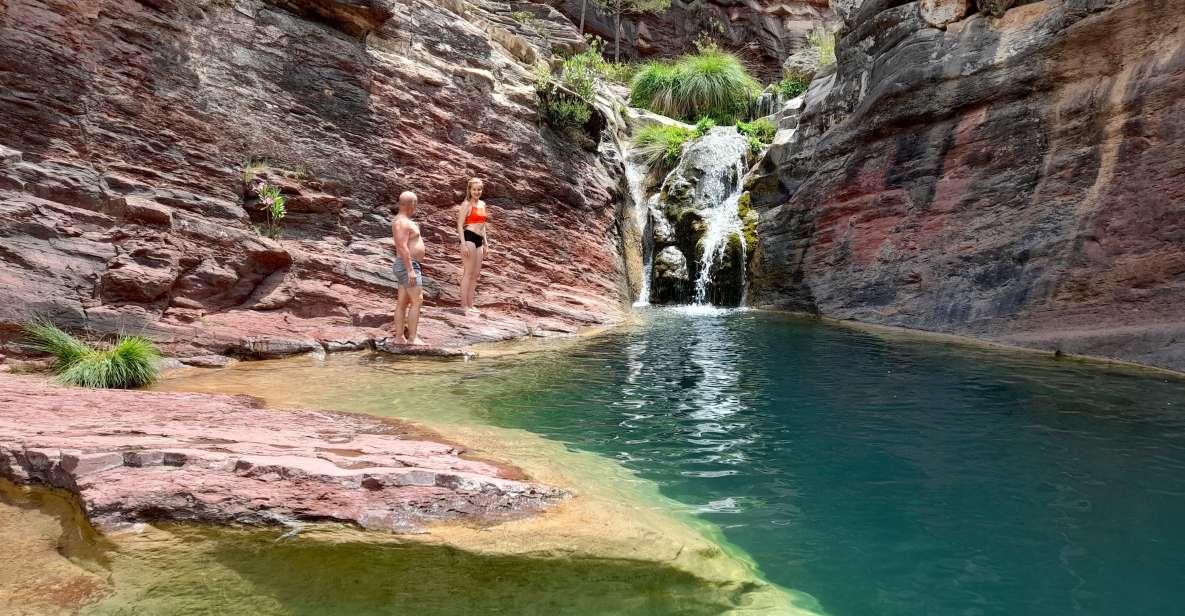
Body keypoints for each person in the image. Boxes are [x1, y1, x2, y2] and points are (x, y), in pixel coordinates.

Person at [391, 190, 426, 345]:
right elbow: (402, 247)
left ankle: (399, 338)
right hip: (407, 266)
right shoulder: (402, 222)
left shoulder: (402, 220)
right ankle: (412, 338)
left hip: (407, 265)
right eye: (416, 203)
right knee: (417, 300)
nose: (416, 206)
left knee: (403, 302)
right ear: (411, 204)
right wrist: (411, 269)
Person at [456, 177, 490, 314]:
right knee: (468, 273)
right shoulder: (466, 204)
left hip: (479, 241)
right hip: (469, 238)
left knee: (476, 274)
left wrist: (486, 243)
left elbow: (483, 226)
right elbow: (459, 224)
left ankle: (471, 304)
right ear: (470, 190)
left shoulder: (483, 204)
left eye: (479, 189)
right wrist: (463, 244)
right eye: (474, 189)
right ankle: (463, 305)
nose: (477, 192)